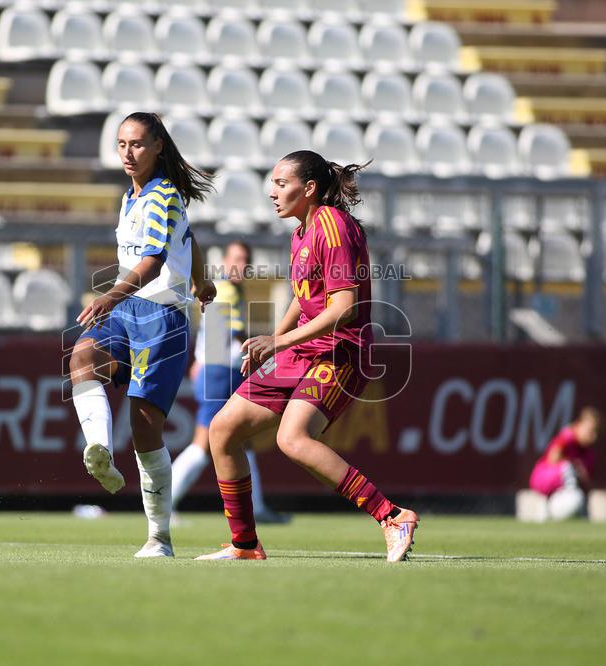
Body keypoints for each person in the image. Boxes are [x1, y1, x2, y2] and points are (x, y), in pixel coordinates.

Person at [195, 151, 419, 562]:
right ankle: (245, 544)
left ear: (309, 188)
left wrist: (277, 344)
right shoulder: (301, 232)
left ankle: (392, 516)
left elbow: (343, 308)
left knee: (292, 439)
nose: (272, 192)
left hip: (339, 352)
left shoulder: (332, 226)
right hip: (302, 350)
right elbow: (305, 299)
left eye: (281, 183)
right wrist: (273, 342)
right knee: (222, 430)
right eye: (273, 183)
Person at [68, 112, 215, 558]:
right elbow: (190, 240)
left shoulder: (163, 196)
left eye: (136, 144)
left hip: (160, 318)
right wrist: (202, 280)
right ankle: (99, 448)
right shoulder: (131, 197)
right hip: (128, 309)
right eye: (121, 144)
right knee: (81, 358)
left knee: (145, 429)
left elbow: (152, 261)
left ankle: (159, 537)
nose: (127, 153)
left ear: (157, 148)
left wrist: (108, 297)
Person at [172, 240, 289, 524]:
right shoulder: (225, 290)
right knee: (203, 444)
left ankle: (257, 508)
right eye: (236, 259)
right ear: (225, 260)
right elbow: (228, 337)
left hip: (221, 370)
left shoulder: (229, 289)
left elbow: (213, 335)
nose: (241, 265)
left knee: (243, 442)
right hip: (220, 373)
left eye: (245, 260)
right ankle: (162, 503)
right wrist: (265, 351)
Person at [528, 407, 600, 521]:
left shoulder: (589, 453)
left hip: (560, 484)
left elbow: (587, 481)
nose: (593, 436)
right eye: (590, 431)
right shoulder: (568, 437)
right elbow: (553, 458)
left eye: (596, 432)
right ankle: (547, 507)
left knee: (577, 475)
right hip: (543, 477)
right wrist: (573, 464)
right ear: (579, 425)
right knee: (568, 467)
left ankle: (581, 513)